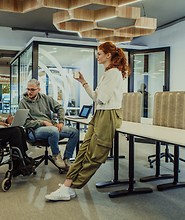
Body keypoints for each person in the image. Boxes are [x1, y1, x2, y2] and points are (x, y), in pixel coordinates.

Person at [45, 41, 129, 201]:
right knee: (83, 151)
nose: (97, 56)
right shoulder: (108, 73)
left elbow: (101, 99)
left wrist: (89, 88)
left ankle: (71, 186)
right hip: (100, 115)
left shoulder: (114, 73)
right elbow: (98, 99)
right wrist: (83, 82)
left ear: (108, 55)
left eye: (99, 54)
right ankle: (67, 186)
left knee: (95, 155)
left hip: (108, 115)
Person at [18, 79, 79, 169]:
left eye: (32, 89)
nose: (29, 92)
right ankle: (56, 155)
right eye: (28, 89)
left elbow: (59, 108)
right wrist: (43, 122)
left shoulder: (45, 98)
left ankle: (67, 158)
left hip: (50, 127)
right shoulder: (23, 103)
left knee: (75, 132)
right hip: (34, 130)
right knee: (53, 130)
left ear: (38, 90)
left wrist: (61, 121)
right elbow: (25, 123)